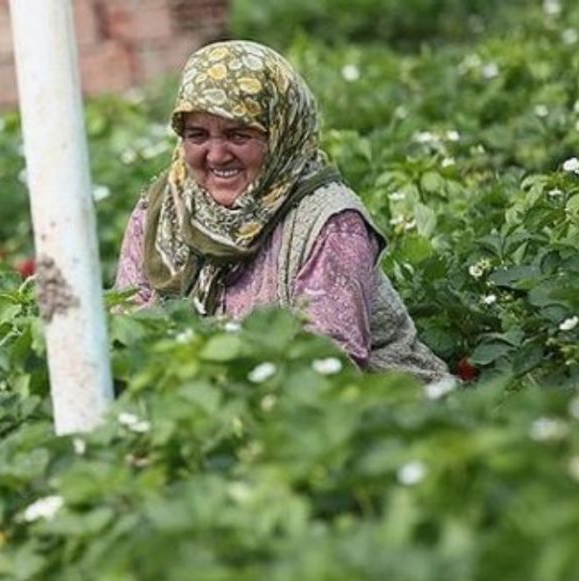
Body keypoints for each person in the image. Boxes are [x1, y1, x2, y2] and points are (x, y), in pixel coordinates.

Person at [114, 41, 449, 381]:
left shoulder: (331, 223)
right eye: (197, 135)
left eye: (238, 134)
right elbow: (127, 323)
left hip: (362, 408)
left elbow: (328, 366)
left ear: (280, 133)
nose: (215, 155)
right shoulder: (162, 209)